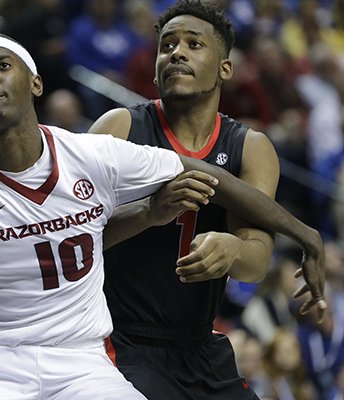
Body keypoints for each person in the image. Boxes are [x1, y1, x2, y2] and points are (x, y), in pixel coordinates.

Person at [0, 32, 325, 400]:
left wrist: (306, 236)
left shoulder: (94, 155)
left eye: (3, 66)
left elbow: (217, 179)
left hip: (79, 361)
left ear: (35, 84)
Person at [87, 1, 326, 399]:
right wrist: (147, 213)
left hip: (200, 345)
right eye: (167, 46)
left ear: (225, 68)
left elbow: (255, 262)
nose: (176, 52)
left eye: (194, 44)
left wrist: (232, 250)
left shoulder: (250, 147)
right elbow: (72, 240)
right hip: (118, 340)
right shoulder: (118, 128)